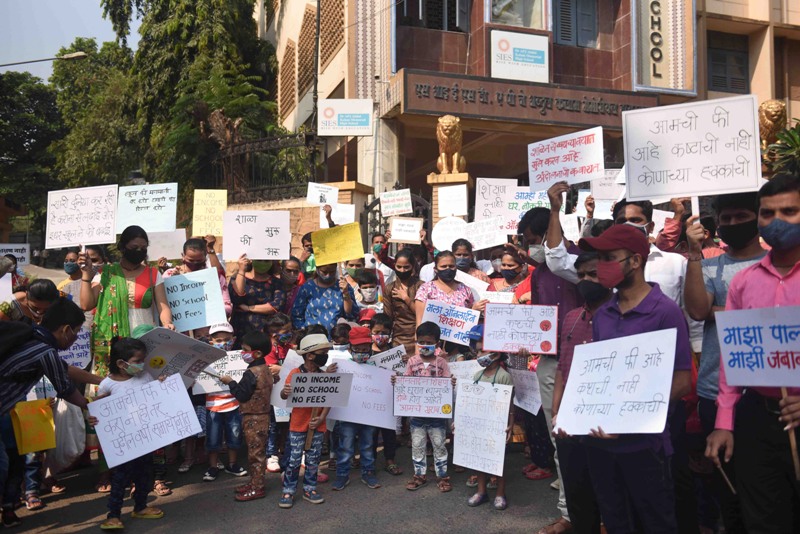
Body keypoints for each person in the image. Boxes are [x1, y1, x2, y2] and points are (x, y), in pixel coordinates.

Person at [578, 224, 693, 533]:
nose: (602, 266)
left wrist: (629, 415)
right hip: (602, 444)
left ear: (635, 261)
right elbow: (604, 380)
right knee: (616, 521)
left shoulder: (666, 312)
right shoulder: (603, 315)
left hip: (646, 447)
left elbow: (683, 381)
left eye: (609, 257)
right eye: (599, 258)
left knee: (656, 522)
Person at [705, 173, 800, 533]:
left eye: (789, 211)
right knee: (763, 519)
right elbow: (736, 358)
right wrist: (724, 422)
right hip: (758, 420)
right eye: (767, 213)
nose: (776, 222)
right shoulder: (744, 283)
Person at [684, 193, 763, 534]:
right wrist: (693, 256)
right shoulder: (708, 265)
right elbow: (699, 310)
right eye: (725, 219)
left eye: (740, 216)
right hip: (715, 392)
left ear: (758, 217)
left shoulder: (776, 264)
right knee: (725, 488)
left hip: (767, 392)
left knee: (765, 486)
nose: (732, 224)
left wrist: (725, 315)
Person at [551, 252, 610, 534]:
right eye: (582, 275)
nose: (587, 281)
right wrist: (556, 412)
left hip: (604, 420)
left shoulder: (619, 316)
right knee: (577, 489)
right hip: (570, 420)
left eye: (593, 274)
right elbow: (562, 367)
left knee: (607, 488)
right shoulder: (572, 318)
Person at [79, 225, 175, 380]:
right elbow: (86, 304)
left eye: (143, 248)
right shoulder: (107, 273)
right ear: (122, 247)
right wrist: (85, 275)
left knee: (144, 383)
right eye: (134, 247)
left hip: (143, 339)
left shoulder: (152, 274)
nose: (139, 251)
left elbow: (163, 306)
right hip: (114, 342)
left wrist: (167, 323)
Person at [95, 337, 165, 530]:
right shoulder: (107, 385)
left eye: (143, 360)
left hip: (145, 438)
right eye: (137, 361)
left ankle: (140, 506)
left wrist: (162, 386)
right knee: (120, 478)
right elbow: (98, 412)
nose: (141, 365)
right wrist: (93, 416)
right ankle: (113, 515)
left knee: (145, 474)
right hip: (123, 443)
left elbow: (156, 399)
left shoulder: (146, 377)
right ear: (120, 363)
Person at [394, 322, 456, 493]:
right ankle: (419, 475)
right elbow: (405, 383)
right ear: (416, 342)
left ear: (436, 343)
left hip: (437, 417)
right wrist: (397, 382)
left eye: (429, 342)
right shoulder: (412, 362)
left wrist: (451, 382)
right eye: (421, 341)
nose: (424, 345)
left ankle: (442, 476)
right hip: (417, 417)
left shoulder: (441, 363)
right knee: (418, 446)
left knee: (439, 446)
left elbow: (447, 383)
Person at [279, 333, 337, 508]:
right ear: (310, 355)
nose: (325, 356)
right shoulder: (295, 373)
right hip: (297, 425)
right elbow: (283, 394)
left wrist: (321, 417)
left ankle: (310, 488)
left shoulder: (325, 375)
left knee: (313, 459)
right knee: (294, 460)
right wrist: (286, 392)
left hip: (318, 426)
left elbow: (329, 399)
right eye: (323, 352)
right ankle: (288, 490)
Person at [220, 331, 273, 501]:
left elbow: (242, 395)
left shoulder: (251, 372)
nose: (242, 353)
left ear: (257, 353)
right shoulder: (266, 369)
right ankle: (254, 482)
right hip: (263, 416)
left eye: (245, 350)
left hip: (253, 418)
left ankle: (257, 487)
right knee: (256, 452)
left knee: (255, 454)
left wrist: (230, 383)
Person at [332, 326, 381, 491]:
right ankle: (342, 474)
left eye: (365, 349)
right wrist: (329, 373)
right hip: (348, 415)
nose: (362, 352)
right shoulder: (342, 366)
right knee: (346, 445)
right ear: (350, 348)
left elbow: (382, 386)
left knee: (367, 445)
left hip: (369, 414)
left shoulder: (376, 365)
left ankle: (368, 472)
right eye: (358, 349)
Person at [467, 351, 514, 511]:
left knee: (498, 461)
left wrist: (511, 423)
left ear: (496, 355)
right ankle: (481, 492)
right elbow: (470, 400)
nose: (480, 354)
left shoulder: (504, 376)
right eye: (479, 351)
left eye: (484, 351)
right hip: (479, 424)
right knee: (480, 459)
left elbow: (509, 403)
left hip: (497, 425)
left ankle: (500, 494)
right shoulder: (477, 375)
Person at [202, 323, 247, 482]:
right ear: (211, 341)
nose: (223, 343)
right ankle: (213, 466)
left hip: (234, 405)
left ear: (233, 340)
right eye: (219, 340)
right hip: (213, 406)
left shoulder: (239, 358)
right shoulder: (205, 360)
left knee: (234, 437)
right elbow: (196, 380)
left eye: (227, 339)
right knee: (213, 439)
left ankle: (232, 464)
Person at [163, 238, 232, 338]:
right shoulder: (170, 275)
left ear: (205, 257)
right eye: (190, 260)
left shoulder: (213, 277)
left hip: (210, 335)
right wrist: (176, 281)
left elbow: (227, 307)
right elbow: (164, 306)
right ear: (183, 256)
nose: (194, 263)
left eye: (199, 260)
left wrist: (209, 314)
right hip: (181, 335)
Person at [369, 313, 403, 476]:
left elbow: (401, 373)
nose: (379, 336)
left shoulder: (394, 353)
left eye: (384, 333)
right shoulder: (366, 352)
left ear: (390, 334)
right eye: (376, 332)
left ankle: (390, 460)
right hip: (370, 400)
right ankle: (370, 462)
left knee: (389, 432)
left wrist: (404, 362)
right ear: (370, 331)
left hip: (389, 399)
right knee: (371, 433)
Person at [230, 254, 285, 341]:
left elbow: (276, 305)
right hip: (241, 329)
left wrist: (248, 308)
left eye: (266, 261)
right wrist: (241, 270)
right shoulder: (237, 278)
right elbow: (237, 297)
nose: (263, 263)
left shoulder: (276, 282)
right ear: (252, 260)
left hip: (265, 331)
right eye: (259, 260)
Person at [414, 251, 479, 325]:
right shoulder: (425, 289)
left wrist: (475, 309)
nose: (448, 269)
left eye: (451, 266)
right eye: (443, 266)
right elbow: (419, 322)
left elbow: (470, 319)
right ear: (435, 269)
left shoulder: (465, 290)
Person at [291, 262, 357, 333]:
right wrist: (305, 332)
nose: (328, 275)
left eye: (332, 272)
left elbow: (351, 313)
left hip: (337, 336)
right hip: (312, 336)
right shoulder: (307, 288)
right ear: (317, 269)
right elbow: (297, 315)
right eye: (324, 272)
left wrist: (345, 293)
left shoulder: (344, 287)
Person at [383, 250, 423, 356]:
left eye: (406, 267)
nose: (402, 270)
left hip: (418, 336)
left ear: (413, 266)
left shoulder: (421, 286)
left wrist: (406, 298)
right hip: (398, 338)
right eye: (399, 267)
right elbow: (388, 317)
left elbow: (422, 315)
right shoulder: (390, 288)